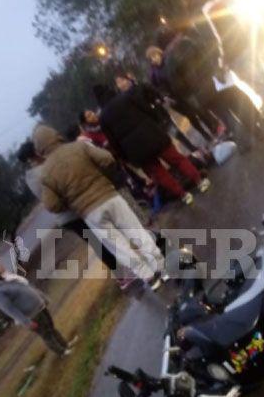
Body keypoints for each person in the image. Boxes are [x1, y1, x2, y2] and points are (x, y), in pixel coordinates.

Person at [33, 124, 167, 289]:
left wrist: (70, 202)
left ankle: (148, 276)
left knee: (119, 246)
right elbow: (106, 159)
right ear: (57, 136)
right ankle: (161, 267)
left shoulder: (46, 174)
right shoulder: (78, 147)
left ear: (39, 150)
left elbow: (52, 205)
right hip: (110, 196)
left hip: (89, 212)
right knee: (136, 231)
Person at [17, 140, 136, 290]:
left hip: (82, 205)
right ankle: (121, 276)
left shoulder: (49, 163)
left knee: (107, 235)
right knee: (97, 241)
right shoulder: (35, 176)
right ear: (34, 154)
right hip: (70, 215)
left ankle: (130, 263)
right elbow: (51, 199)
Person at [100, 72, 210, 205]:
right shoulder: (125, 98)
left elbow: (114, 142)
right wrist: (155, 123)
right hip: (152, 134)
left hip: (136, 150)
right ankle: (199, 181)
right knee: (177, 159)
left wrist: (126, 157)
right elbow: (146, 109)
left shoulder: (103, 118)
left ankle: (183, 195)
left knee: (160, 173)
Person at [202, 0, 264, 140]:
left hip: (238, 53)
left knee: (262, 84)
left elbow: (221, 37)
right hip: (242, 49)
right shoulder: (216, 4)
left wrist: (223, 59)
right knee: (262, 82)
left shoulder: (211, 8)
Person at [0, 266, 72, 356]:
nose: (1, 266)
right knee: (46, 334)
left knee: (51, 327)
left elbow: (27, 287)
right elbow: (10, 310)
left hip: (39, 306)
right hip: (32, 315)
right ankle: (61, 352)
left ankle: (65, 345)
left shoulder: (8, 278)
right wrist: (27, 322)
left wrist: (42, 297)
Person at [146, 45, 218, 143]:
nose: (154, 58)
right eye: (151, 58)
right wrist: (165, 96)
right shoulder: (153, 73)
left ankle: (213, 129)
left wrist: (190, 83)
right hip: (174, 99)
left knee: (199, 110)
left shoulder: (170, 60)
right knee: (191, 116)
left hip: (186, 91)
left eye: (155, 55)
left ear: (159, 53)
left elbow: (182, 70)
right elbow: (157, 88)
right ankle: (204, 134)